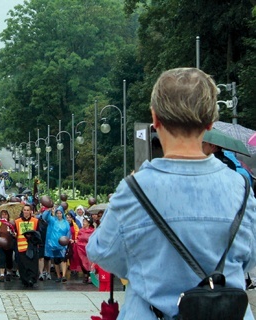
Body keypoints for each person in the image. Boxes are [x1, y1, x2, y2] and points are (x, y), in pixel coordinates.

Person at [87, 67, 256, 319]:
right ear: (210, 123)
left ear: (155, 119)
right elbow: (249, 258)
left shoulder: (134, 189)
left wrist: (145, 269)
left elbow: (102, 252)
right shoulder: (241, 188)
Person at [42, 205, 71, 282]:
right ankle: (58, 276)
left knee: (63, 260)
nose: (59, 214)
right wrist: (48, 210)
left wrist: (67, 241)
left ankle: (64, 276)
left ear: (62, 214)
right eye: (57, 213)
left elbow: (68, 232)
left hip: (63, 245)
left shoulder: (66, 223)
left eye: (60, 213)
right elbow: (44, 217)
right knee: (56, 261)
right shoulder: (52, 220)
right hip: (54, 244)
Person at [0, 209, 16, 282]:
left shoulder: (11, 223)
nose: (4, 216)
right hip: (0, 244)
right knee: (2, 258)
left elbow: (14, 232)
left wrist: (14, 234)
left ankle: (8, 272)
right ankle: (2, 274)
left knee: (9, 259)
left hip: (9, 244)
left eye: (5, 214)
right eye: (2, 214)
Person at [75, 216, 94, 284]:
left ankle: (90, 276)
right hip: (81, 249)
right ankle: (85, 275)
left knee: (89, 262)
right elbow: (78, 238)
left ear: (89, 223)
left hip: (89, 249)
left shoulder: (92, 231)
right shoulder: (81, 230)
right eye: (83, 221)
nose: (83, 223)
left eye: (85, 221)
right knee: (82, 262)